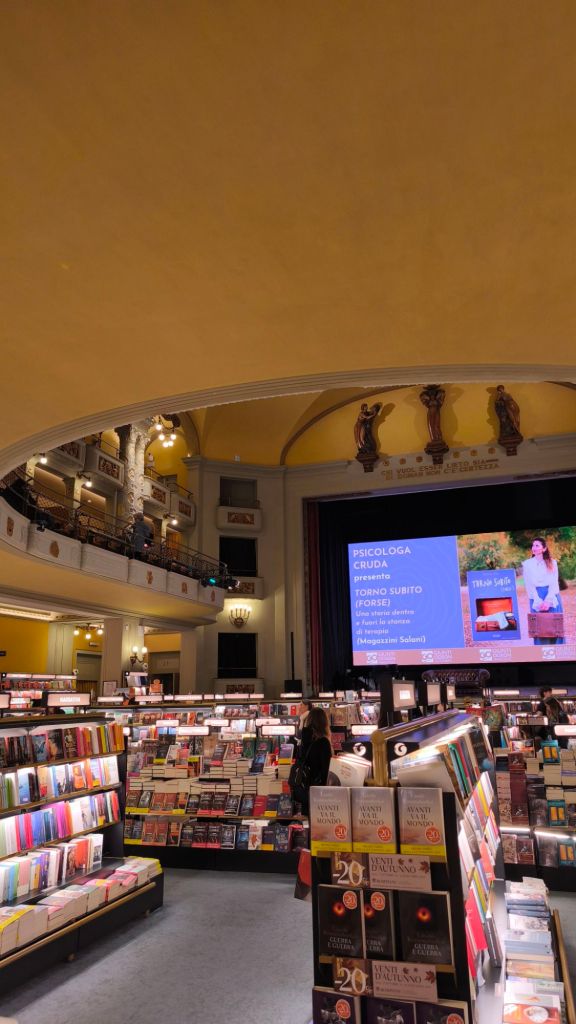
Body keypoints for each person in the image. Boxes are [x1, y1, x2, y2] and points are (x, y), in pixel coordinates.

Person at [522, 537, 565, 645]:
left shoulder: (552, 562)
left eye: (537, 545)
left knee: (555, 629)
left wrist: (548, 601)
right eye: (533, 545)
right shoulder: (527, 564)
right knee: (540, 629)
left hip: (552, 596)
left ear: (544, 548)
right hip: (536, 597)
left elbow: (554, 582)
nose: (534, 548)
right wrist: (538, 601)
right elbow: (529, 585)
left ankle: (559, 659)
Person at [291, 706, 333, 814]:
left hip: (304, 787)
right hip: (318, 791)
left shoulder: (303, 739)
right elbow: (326, 770)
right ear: (324, 722)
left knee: (308, 821)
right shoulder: (323, 742)